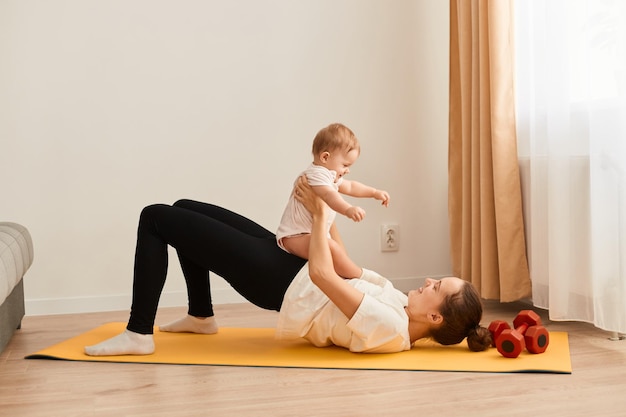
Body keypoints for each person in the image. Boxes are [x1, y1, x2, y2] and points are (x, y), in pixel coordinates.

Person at [85, 177, 492, 356]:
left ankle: (138, 332)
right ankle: (201, 315)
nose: (428, 280)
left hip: (278, 283)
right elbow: (345, 264)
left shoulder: (390, 328)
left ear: (435, 315)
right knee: (184, 209)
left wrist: (316, 217)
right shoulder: (399, 300)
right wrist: (329, 206)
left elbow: (323, 276)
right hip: (289, 263)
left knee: (155, 216)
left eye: (437, 285)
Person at [276, 123, 390, 279]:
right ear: (325, 157)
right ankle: (361, 276)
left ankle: (353, 277)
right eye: (345, 165)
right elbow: (330, 196)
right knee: (332, 248)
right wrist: (348, 209)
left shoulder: (329, 175)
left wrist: (374, 192)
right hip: (295, 237)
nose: (347, 170)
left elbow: (351, 186)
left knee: (334, 251)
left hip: (309, 234)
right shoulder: (316, 174)